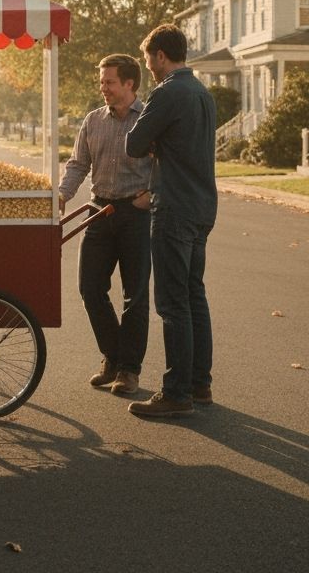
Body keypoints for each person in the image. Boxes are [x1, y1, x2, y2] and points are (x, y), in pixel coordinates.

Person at [125, 24, 217, 418]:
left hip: (174, 205)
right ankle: (199, 383)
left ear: (160, 55)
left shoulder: (167, 92)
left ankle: (176, 393)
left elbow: (133, 144)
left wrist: (155, 143)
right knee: (194, 295)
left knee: (172, 302)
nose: (148, 67)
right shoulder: (202, 93)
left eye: (148, 59)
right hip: (202, 205)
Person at [58, 54, 153, 397]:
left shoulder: (149, 120)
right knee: (90, 288)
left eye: (109, 82)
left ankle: (129, 370)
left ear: (129, 83)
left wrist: (151, 194)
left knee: (135, 295)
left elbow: (167, 163)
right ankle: (113, 357)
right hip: (98, 211)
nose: (103, 88)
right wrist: (62, 195)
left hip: (135, 214)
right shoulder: (93, 120)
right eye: (101, 82)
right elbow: (78, 164)